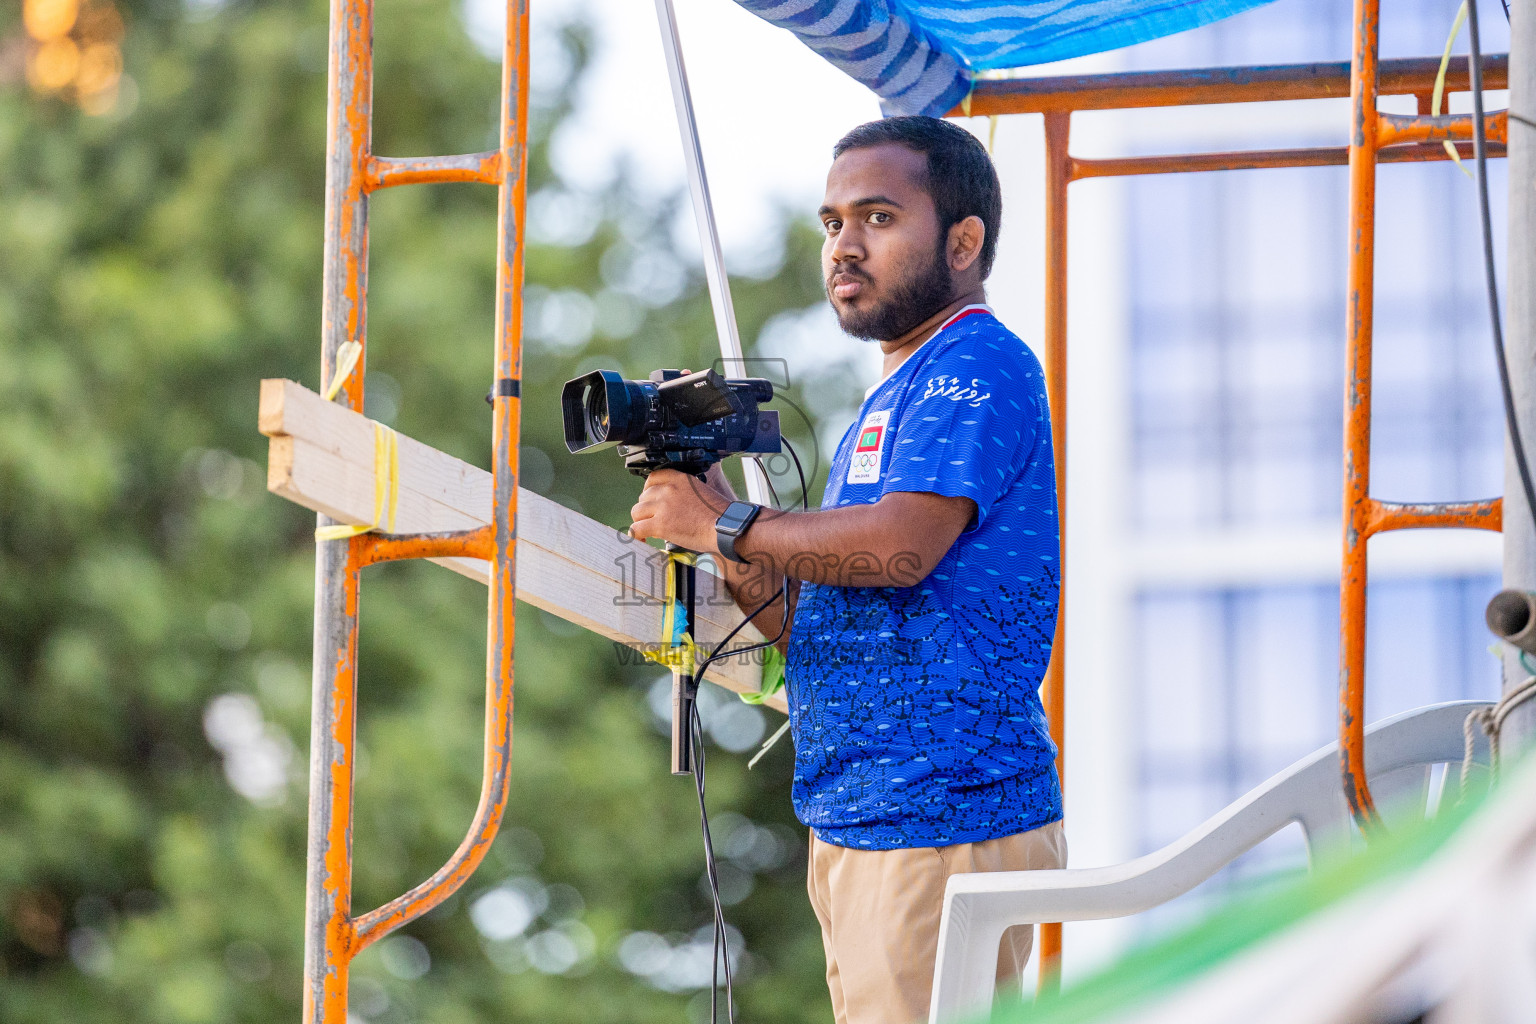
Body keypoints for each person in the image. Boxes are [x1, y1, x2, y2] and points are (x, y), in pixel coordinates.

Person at [628, 115, 1065, 1024]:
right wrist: (717, 525)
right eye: (832, 223)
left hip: (942, 819)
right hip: (872, 823)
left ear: (963, 240)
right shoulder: (896, 390)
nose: (844, 246)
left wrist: (733, 520)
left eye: (876, 217)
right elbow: (821, 624)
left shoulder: (972, 363)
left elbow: (900, 548)